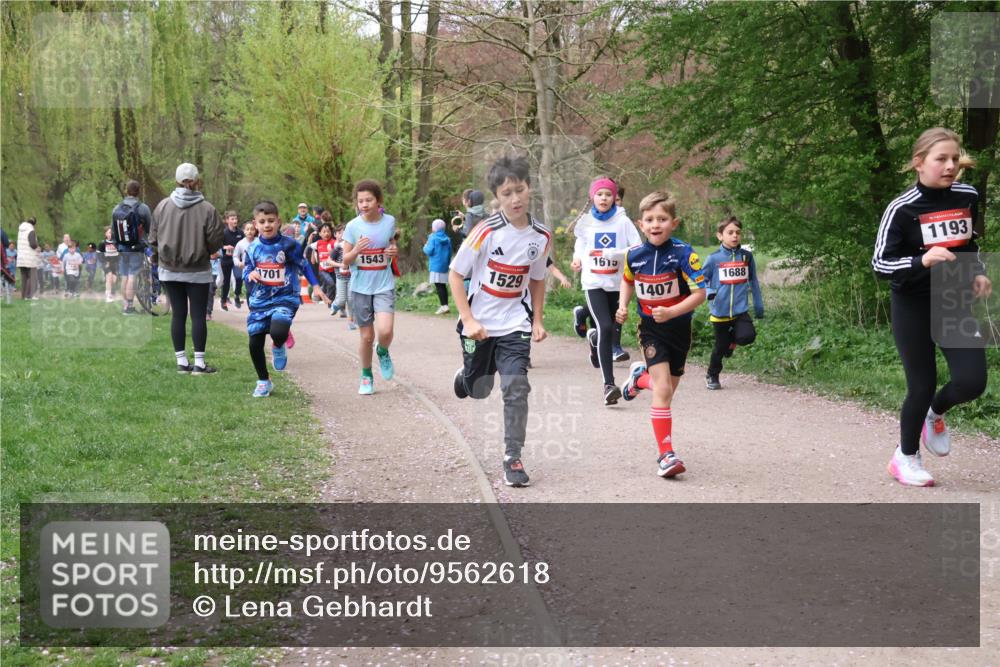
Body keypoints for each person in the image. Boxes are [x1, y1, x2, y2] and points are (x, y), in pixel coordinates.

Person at [872, 127, 991, 487]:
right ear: (919, 163)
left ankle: (934, 414)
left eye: (955, 159)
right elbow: (880, 263)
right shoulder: (902, 208)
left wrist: (978, 272)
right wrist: (921, 262)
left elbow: (968, 242)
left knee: (972, 382)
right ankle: (905, 457)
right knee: (921, 384)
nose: (950, 165)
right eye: (941, 159)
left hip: (953, 300)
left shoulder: (968, 195)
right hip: (912, 303)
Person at [449, 154, 550, 487]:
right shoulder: (485, 231)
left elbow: (536, 279)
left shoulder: (541, 235)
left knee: (515, 387)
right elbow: (455, 273)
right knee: (479, 389)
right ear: (497, 196)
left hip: (515, 323)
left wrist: (537, 319)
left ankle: (513, 457)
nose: (515, 199)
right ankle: (466, 378)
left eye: (519, 190)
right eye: (507, 193)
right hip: (479, 324)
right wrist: (468, 318)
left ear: (529, 188)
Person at [617, 191, 708, 478]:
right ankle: (666, 455)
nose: (655, 224)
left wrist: (672, 312)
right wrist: (622, 305)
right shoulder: (634, 255)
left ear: (674, 222)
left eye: (662, 219)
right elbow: (628, 281)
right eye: (649, 220)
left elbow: (701, 293)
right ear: (640, 224)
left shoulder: (684, 254)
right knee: (663, 390)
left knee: (666, 392)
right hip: (651, 329)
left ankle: (637, 380)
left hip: (679, 329)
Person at [244, 200, 329, 397]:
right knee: (254, 342)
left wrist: (316, 286)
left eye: (271, 221)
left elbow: (304, 265)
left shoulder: (289, 245)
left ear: (279, 222)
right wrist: (250, 274)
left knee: (278, 330)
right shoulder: (252, 247)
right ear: (256, 224)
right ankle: (264, 381)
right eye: (262, 221)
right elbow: (247, 267)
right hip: (260, 299)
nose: (267, 225)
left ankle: (279, 343)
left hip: (285, 297)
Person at [571, 176, 642, 405]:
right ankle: (609, 385)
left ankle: (594, 343)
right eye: (600, 194)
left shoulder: (623, 221)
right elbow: (580, 244)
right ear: (593, 196)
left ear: (614, 198)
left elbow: (638, 246)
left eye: (608, 194)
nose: (604, 198)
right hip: (593, 282)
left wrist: (617, 253)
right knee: (605, 326)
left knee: (609, 330)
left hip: (617, 283)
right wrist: (577, 259)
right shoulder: (585, 221)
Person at [150, 162, 225, 374]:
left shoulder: (162, 207)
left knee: (178, 315)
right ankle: (199, 364)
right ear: (197, 181)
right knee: (198, 315)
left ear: (176, 181)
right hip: (198, 270)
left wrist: (157, 258)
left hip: (169, 269)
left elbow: (153, 238)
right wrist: (206, 250)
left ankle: (181, 362)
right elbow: (215, 240)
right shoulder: (208, 209)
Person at [340, 180, 399, 395]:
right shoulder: (353, 226)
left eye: (369, 200)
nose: (364, 204)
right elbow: (345, 260)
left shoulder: (389, 221)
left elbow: (391, 243)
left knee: (386, 330)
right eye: (360, 200)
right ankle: (366, 375)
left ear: (378, 201)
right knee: (366, 337)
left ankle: (382, 351)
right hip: (360, 287)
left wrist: (393, 250)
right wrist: (356, 250)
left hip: (383, 284)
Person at [702, 216, 764, 390]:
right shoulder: (714, 258)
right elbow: (702, 279)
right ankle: (712, 375)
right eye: (730, 232)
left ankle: (732, 342)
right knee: (720, 347)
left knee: (748, 336)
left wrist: (759, 307)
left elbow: (754, 282)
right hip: (720, 311)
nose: (735, 236)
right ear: (720, 236)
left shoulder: (747, 257)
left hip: (740, 310)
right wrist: (709, 292)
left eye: (738, 232)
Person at [111, 180, 153, 314]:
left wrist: (117, 245)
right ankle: (129, 306)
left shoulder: (117, 208)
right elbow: (150, 228)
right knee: (133, 275)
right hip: (137, 247)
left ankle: (125, 305)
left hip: (122, 248)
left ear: (126, 191)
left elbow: (113, 230)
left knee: (124, 275)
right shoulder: (143, 208)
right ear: (138, 191)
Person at [423, 218, 453, 314]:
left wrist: (425, 246)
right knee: (442, 285)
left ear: (434, 228)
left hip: (436, 265)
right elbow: (450, 253)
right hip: (444, 265)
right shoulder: (447, 239)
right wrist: (447, 263)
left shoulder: (433, 238)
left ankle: (443, 306)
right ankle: (445, 305)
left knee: (438, 285)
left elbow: (429, 251)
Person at [219, 210, 245, 311]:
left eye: (236, 218)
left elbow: (245, 242)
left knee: (239, 277)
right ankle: (223, 301)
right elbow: (217, 245)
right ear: (227, 220)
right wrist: (225, 247)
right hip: (226, 259)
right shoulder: (223, 233)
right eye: (232, 219)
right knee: (226, 281)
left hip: (237, 260)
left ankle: (237, 296)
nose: (235, 220)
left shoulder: (240, 233)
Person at [310, 220, 339, 306]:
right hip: (323, 270)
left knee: (333, 286)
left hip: (333, 269)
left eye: (328, 231)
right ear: (320, 234)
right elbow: (309, 247)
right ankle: (328, 300)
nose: (326, 234)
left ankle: (329, 301)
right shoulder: (318, 243)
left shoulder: (334, 243)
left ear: (331, 232)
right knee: (331, 283)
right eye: (324, 232)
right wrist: (311, 255)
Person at [16, 217, 41, 300]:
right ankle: (31, 295)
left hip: (21, 258)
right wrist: (37, 247)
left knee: (24, 277)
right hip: (29, 258)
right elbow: (32, 244)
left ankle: (24, 296)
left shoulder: (20, 230)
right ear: (34, 224)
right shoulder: (31, 230)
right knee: (31, 276)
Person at [330, 225, 352, 322]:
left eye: (344, 232)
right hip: (340, 277)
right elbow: (329, 261)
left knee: (351, 299)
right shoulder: (338, 248)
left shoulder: (353, 246)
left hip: (352, 277)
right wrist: (340, 265)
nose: (343, 235)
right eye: (340, 233)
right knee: (341, 300)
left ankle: (351, 320)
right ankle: (335, 305)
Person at [98, 227, 119, 303]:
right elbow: (99, 254)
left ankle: (110, 292)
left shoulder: (116, 242)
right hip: (106, 263)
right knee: (109, 276)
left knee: (113, 280)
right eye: (109, 232)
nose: (111, 234)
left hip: (115, 264)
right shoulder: (103, 243)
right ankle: (108, 295)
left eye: (111, 232)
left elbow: (120, 252)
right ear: (105, 234)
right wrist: (104, 262)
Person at [207, 251, 221, 321]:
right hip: (200, 269)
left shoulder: (215, 241)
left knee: (209, 291)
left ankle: (208, 312)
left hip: (213, 271)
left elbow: (219, 254)